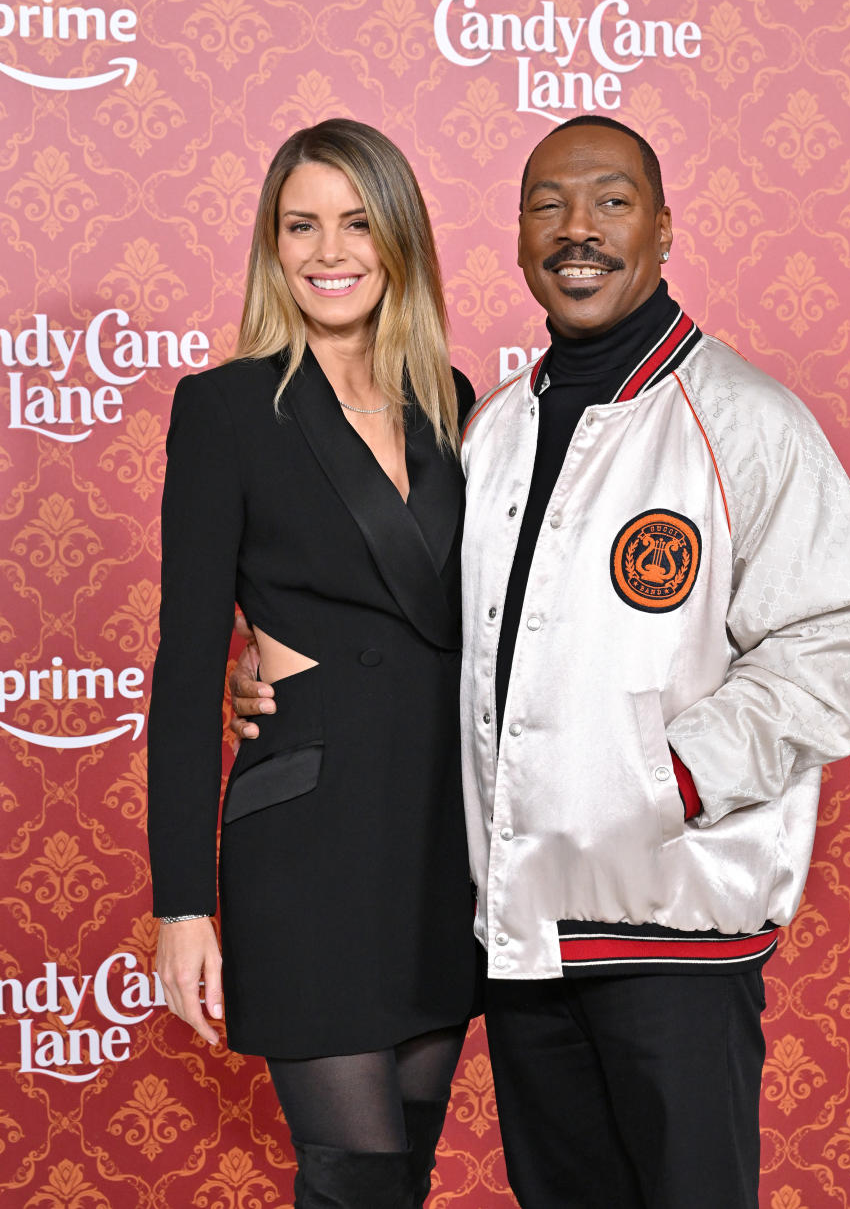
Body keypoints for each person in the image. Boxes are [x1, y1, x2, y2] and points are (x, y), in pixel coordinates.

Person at [231, 116, 850, 1208]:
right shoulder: (487, 430)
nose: (577, 229)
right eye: (548, 205)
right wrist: (274, 663)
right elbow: (424, 626)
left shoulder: (743, 418)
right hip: (526, 939)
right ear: (517, 237)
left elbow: (848, 631)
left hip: (672, 926)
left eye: (610, 200)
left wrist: (676, 772)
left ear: (662, 226)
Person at [148, 119, 478, 1209]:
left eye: (355, 221)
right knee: (354, 1180)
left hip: (444, 834)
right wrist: (182, 906)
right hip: (310, 836)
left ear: (399, 241)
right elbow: (189, 667)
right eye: (301, 224)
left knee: (406, 1172)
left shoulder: (457, 402)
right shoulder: (227, 408)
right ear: (271, 243)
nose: (328, 250)